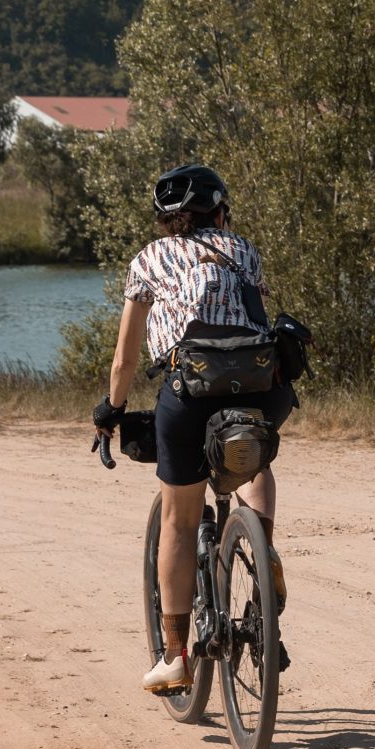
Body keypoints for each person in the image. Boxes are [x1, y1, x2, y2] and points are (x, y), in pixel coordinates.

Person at [90, 164, 295, 694]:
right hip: (253, 388)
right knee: (254, 464)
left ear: (167, 222)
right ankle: (262, 547)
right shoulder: (244, 251)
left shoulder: (147, 261)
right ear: (221, 212)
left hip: (188, 389)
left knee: (180, 525)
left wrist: (111, 409)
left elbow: (124, 358)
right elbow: (253, 321)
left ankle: (176, 655)